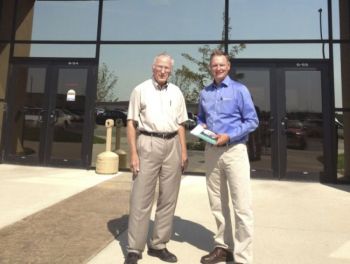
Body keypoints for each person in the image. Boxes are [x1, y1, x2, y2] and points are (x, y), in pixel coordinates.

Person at [124, 53, 188, 264]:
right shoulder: (140, 90)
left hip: (172, 145)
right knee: (141, 198)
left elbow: (180, 124)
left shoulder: (177, 92)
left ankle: (159, 244)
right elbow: (131, 123)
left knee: (168, 199)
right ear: (153, 68)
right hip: (148, 143)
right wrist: (134, 153)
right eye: (159, 67)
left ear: (171, 70)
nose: (163, 71)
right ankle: (134, 248)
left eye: (166, 68)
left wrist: (184, 151)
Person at [197, 50, 258, 264]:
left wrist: (229, 136)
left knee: (242, 206)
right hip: (212, 152)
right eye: (214, 65)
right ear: (210, 67)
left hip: (234, 151)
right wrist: (201, 126)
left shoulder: (239, 90)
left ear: (228, 66)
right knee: (217, 203)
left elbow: (252, 121)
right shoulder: (205, 93)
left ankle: (243, 257)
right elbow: (201, 118)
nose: (218, 68)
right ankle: (224, 247)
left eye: (222, 65)